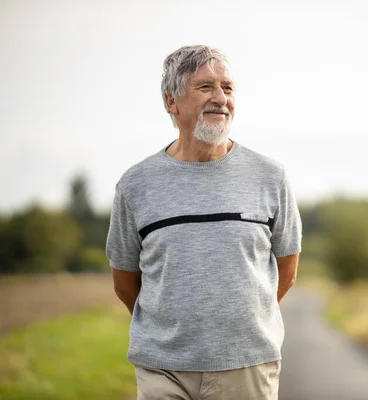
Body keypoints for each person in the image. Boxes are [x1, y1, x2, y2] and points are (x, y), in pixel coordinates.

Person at [106, 45, 302, 400]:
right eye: (205, 87)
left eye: (227, 88)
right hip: (162, 368)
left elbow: (287, 269)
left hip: (246, 366)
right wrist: (171, 331)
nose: (220, 99)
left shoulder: (270, 176)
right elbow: (124, 281)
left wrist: (241, 326)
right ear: (171, 101)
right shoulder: (135, 184)